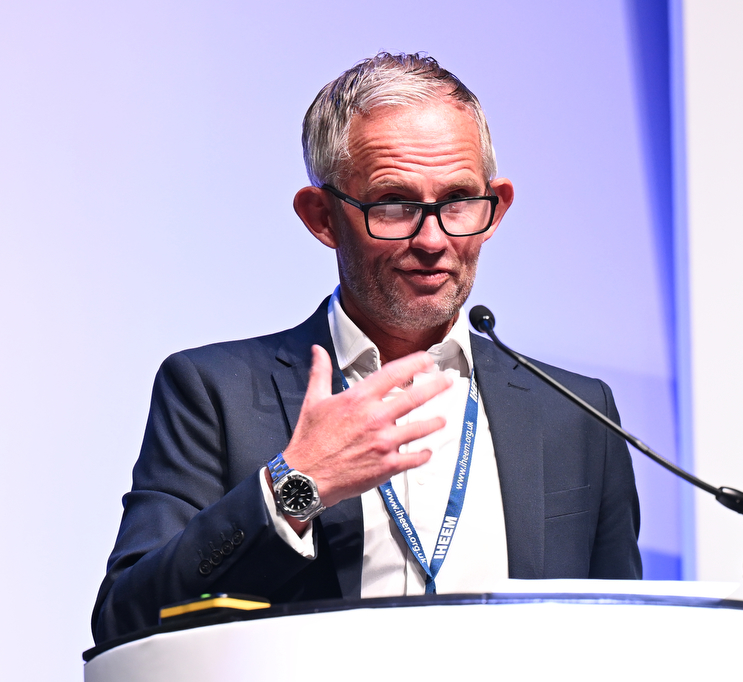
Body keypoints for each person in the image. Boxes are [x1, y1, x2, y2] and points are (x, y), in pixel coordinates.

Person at [92, 52, 641, 644]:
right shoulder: (213, 392)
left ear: (496, 208)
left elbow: (622, 642)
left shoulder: (577, 414)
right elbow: (127, 620)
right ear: (322, 217)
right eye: (394, 205)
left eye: (458, 201)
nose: (432, 240)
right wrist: (295, 485)